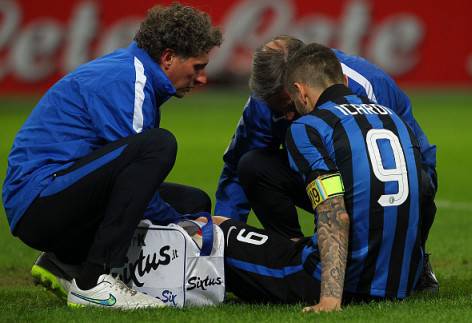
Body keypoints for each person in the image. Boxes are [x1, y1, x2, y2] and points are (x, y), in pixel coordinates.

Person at [2, 3, 222, 309]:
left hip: (54, 194)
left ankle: (64, 261)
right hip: (38, 203)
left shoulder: (133, 72)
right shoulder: (128, 78)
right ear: (169, 57)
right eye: (198, 67)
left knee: (193, 201)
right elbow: (135, 175)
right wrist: (180, 224)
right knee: (157, 145)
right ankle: (93, 282)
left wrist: (187, 216)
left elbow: (127, 181)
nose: (202, 79)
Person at [214, 35, 438, 292]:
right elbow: (234, 170)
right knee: (252, 165)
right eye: (278, 110)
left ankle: (411, 262)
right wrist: (219, 246)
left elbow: (415, 160)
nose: (287, 116)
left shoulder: (370, 84)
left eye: (289, 105)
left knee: (419, 181)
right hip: (321, 177)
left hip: (381, 184)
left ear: (300, 88)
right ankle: (295, 254)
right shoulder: (262, 104)